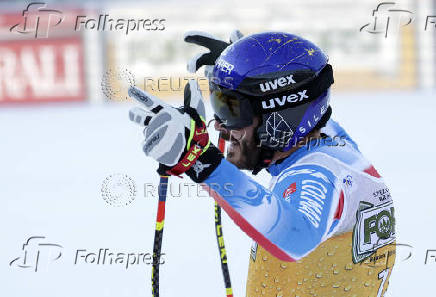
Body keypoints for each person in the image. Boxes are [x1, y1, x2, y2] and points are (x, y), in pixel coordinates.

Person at [128, 31, 396, 297]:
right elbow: (306, 99)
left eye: (230, 109)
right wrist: (245, 68)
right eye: (219, 104)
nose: (218, 125)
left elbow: (295, 237)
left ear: (279, 117)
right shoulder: (335, 148)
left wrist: (202, 162)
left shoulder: (317, 174)